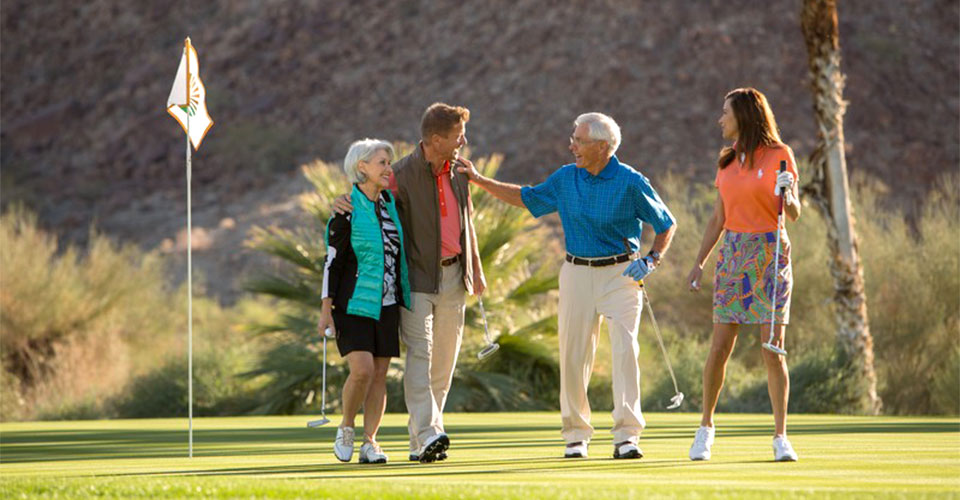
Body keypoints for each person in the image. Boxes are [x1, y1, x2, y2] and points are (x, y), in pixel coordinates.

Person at [457, 112, 677, 460]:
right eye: (573, 138)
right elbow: (526, 197)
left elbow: (666, 224)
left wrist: (651, 260)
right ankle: (575, 435)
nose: (571, 145)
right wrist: (480, 181)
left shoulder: (631, 181)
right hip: (576, 272)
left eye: (579, 140)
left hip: (621, 274)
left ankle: (627, 436)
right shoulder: (565, 178)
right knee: (574, 356)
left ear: (603, 146)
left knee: (625, 350)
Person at [332, 103, 486, 463]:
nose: (463, 141)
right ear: (436, 139)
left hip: (454, 278)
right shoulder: (400, 174)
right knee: (422, 356)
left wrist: (474, 267)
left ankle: (421, 442)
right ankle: (432, 432)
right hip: (417, 279)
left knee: (443, 364)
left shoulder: (461, 172)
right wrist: (342, 202)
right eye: (457, 136)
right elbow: (367, 200)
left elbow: (467, 223)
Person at [685, 87, 801, 462]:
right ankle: (705, 428)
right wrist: (700, 261)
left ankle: (781, 437)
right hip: (733, 254)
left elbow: (794, 213)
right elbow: (719, 218)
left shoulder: (781, 156)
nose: (721, 119)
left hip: (770, 253)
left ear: (745, 116)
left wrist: (789, 194)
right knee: (720, 348)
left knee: (773, 351)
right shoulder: (726, 161)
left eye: (726, 113)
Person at [317, 139, 410, 464]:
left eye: (389, 162)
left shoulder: (390, 207)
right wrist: (326, 310)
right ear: (362, 167)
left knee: (381, 373)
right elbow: (332, 263)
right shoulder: (345, 212)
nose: (388, 168)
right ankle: (346, 427)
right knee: (362, 370)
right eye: (382, 162)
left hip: (387, 304)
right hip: (353, 304)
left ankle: (371, 442)